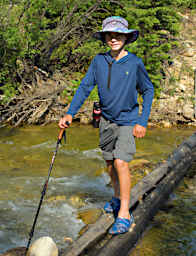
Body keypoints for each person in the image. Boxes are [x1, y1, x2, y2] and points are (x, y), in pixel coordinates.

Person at [59, 16, 154, 235]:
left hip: (128, 121)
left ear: (126, 38)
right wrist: (70, 113)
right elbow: (84, 87)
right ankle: (117, 195)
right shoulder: (98, 61)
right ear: (105, 38)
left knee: (121, 162)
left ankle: (124, 212)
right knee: (110, 164)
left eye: (118, 35)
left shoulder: (135, 63)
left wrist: (142, 121)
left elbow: (148, 90)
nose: (114, 39)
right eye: (109, 35)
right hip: (106, 121)